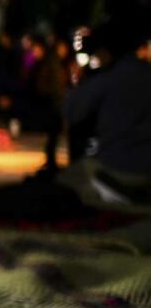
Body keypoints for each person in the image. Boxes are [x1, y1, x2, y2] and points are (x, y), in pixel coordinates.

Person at [58, 18, 151, 209]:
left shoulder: (108, 78)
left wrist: (79, 82)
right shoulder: (144, 73)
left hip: (116, 167)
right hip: (146, 166)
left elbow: (71, 112)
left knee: (63, 184)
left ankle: (111, 196)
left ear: (105, 51)